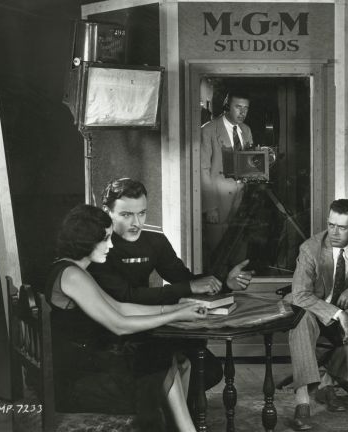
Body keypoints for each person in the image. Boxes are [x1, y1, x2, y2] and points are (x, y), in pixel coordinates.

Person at [88, 178, 253, 403]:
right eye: (126, 215)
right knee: (188, 370)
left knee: (210, 370)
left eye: (142, 213)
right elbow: (125, 297)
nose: (136, 223)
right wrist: (187, 287)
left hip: (150, 329)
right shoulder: (99, 246)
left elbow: (184, 279)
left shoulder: (154, 240)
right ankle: (172, 416)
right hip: (111, 335)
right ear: (107, 212)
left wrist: (225, 283)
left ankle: (177, 416)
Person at [46, 204, 208, 431]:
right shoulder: (72, 275)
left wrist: (175, 308)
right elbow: (120, 325)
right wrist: (177, 314)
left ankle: (182, 428)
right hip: (77, 380)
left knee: (171, 357)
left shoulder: (73, 270)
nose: (110, 246)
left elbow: (121, 307)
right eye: (105, 239)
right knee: (161, 358)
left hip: (82, 366)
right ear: (86, 240)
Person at [287, 199, 348, 431]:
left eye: (342, 227)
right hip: (310, 308)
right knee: (302, 321)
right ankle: (302, 401)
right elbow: (300, 295)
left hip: (343, 305)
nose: (334, 232)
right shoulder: (310, 249)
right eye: (331, 225)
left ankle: (327, 383)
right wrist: (338, 314)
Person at [200, 90, 253, 264]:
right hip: (218, 201)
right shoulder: (208, 130)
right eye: (238, 107)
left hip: (241, 199)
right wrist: (210, 207)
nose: (242, 112)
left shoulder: (246, 130)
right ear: (226, 106)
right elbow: (203, 171)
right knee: (217, 254)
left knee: (239, 250)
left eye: (246, 108)